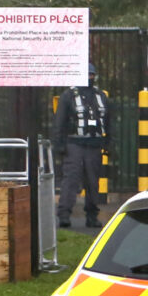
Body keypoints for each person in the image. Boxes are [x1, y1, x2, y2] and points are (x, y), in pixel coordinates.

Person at [55, 67, 113, 229]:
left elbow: (108, 121)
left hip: (94, 144)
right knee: (71, 180)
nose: (89, 77)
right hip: (74, 143)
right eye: (87, 74)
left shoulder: (100, 96)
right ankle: (64, 215)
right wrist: (60, 145)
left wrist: (109, 142)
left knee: (93, 182)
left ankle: (92, 216)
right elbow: (60, 121)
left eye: (92, 74)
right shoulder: (68, 96)